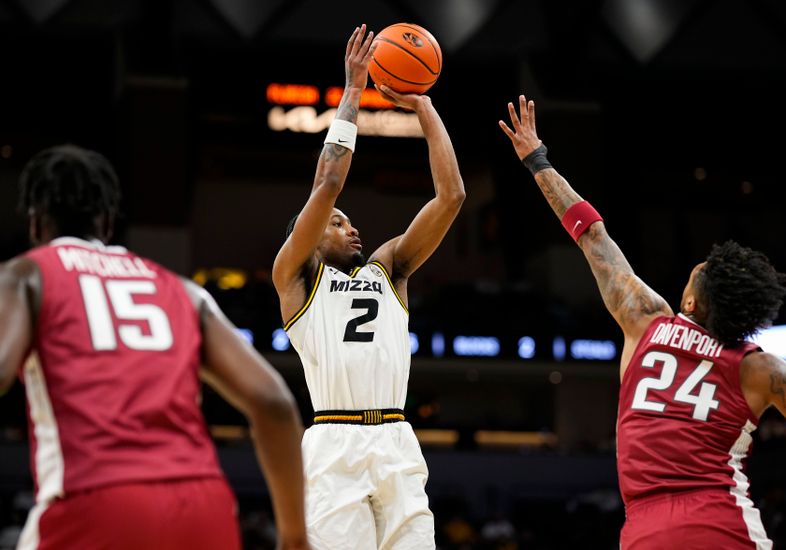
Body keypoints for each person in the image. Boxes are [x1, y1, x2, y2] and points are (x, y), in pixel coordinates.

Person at [499, 95, 786, 549]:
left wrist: (537, 161)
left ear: (693, 304)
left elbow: (592, 236)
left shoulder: (646, 321)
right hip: (722, 521)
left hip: (646, 528)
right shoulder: (764, 371)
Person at [0, 144, 310, 550]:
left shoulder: (26, 274)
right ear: (108, 222)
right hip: (203, 508)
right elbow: (274, 404)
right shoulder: (183, 290)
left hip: (94, 500)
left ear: (36, 223)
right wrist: (294, 539)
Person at [272, 25, 466, 550]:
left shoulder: (389, 270)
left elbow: (451, 196)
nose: (350, 227)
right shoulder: (296, 278)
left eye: (349, 220)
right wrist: (354, 91)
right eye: (336, 223)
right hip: (335, 444)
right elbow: (328, 183)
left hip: (398, 441)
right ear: (307, 238)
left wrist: (423, 107)